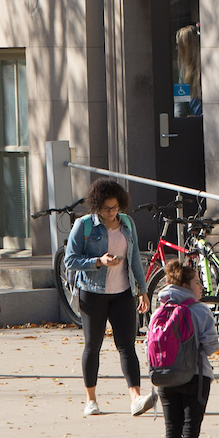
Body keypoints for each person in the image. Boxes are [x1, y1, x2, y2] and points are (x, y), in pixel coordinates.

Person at [62, 178, 156, 418]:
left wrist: (143, 291)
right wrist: (98, 261)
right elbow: (70, 260)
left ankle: (135, 397)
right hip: (93, 294)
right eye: (106, 208)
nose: (112, 212)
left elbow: (134, 259)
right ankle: (91, 400)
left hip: (123, 293)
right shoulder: (84, 226)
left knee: (127, 346)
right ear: (96, 206)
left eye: (115, 207)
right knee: (93, 346)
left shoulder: (127, 223)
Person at [151, 255, 219, 438]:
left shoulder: (159, 310)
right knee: (190, 431)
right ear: (186, 286)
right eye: (198, 282)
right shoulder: (200, 310)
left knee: (172, 430)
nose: (201, 287)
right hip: (195, 376)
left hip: (165, 378)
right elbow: (211, 346)